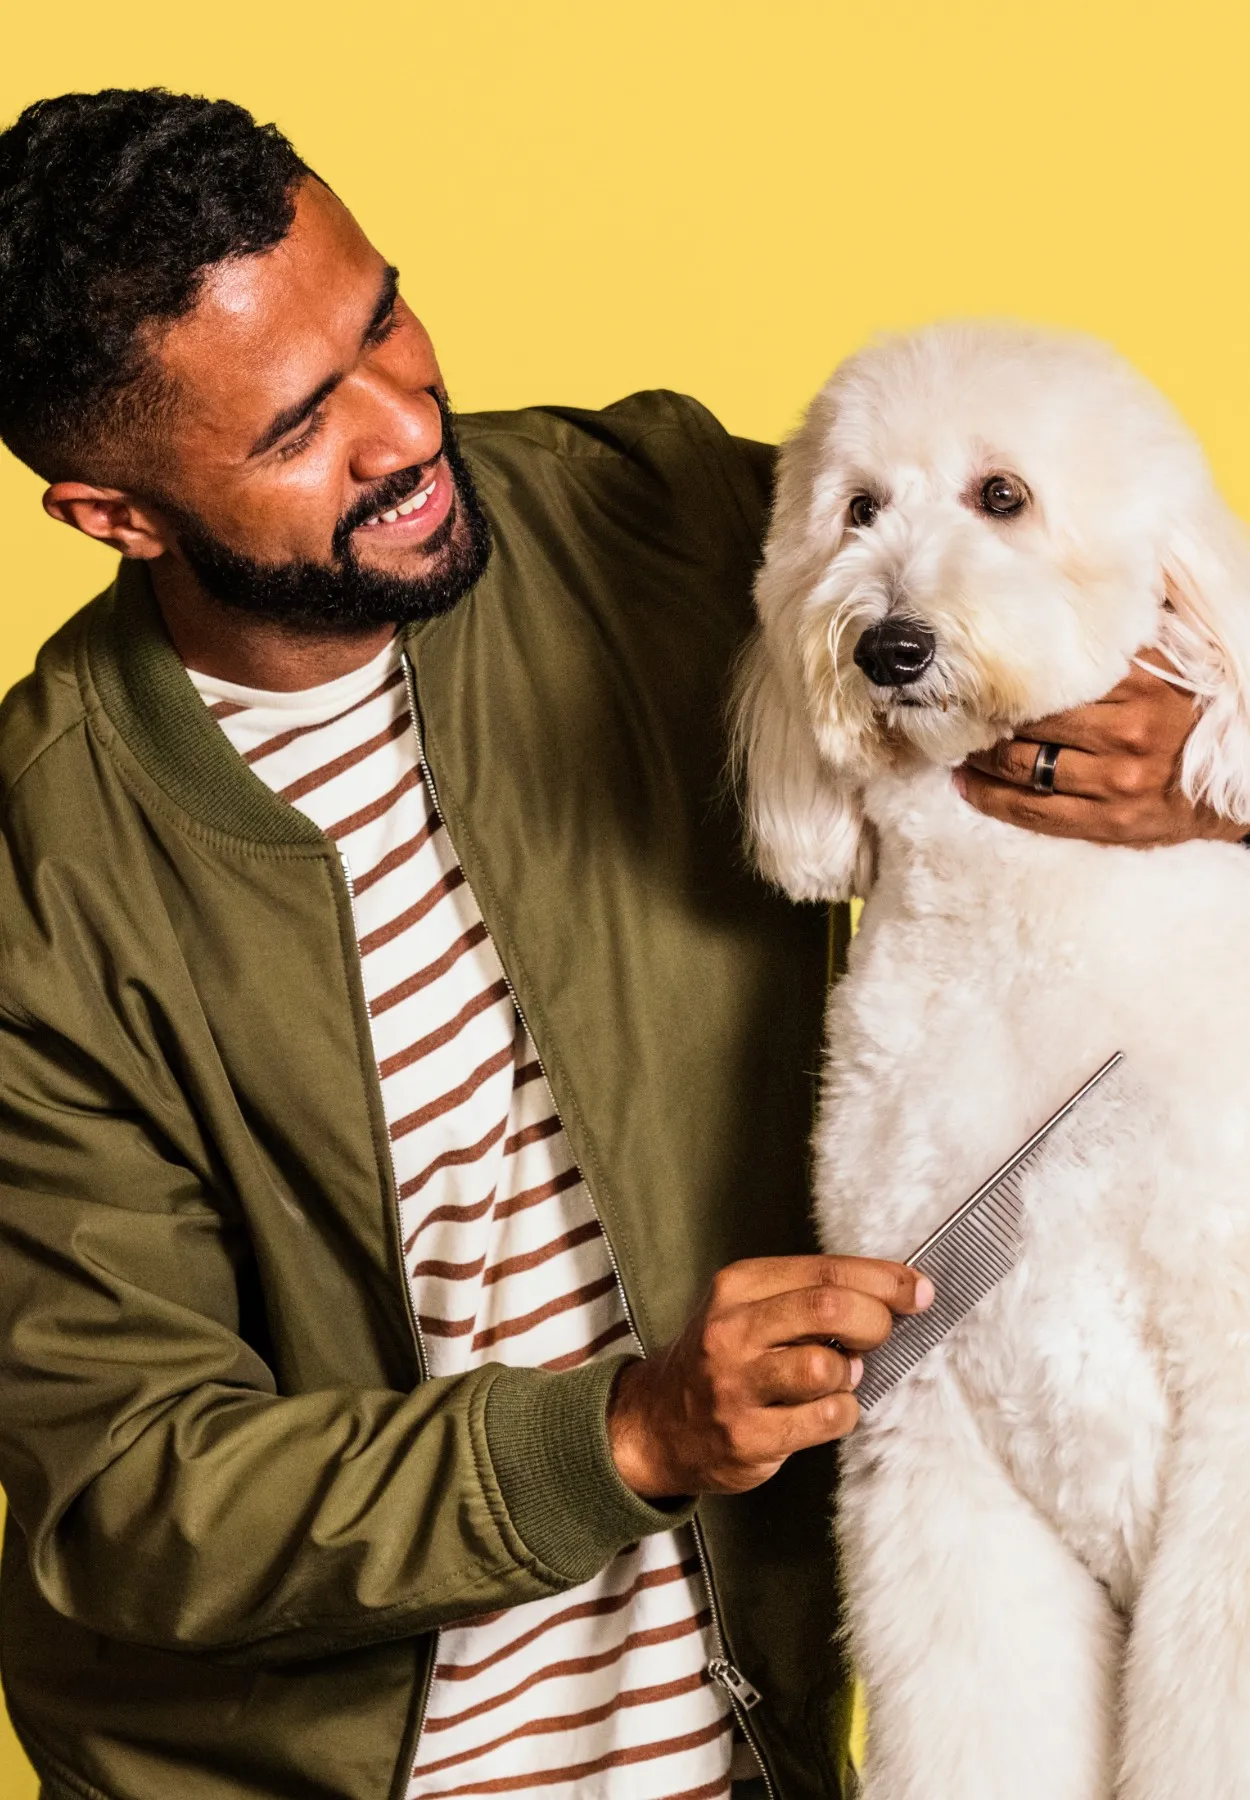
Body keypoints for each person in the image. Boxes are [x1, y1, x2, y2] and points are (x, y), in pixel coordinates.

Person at [0, 90, 1235, 1800]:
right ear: (116, 516)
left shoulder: (636, 519)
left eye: (384, 322)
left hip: (751, 1748)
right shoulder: (48, 876)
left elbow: (1034, 575)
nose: (401, 430)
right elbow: (127, 1503)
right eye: (298, 428)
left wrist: (1218, 767)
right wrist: (630, 1435)